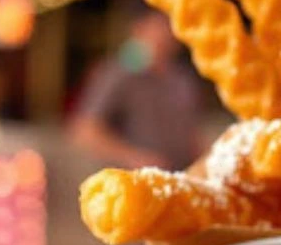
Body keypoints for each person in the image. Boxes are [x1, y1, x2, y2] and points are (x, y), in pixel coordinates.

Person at [71, 10, 202, 171]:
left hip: (179, 180)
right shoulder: (118, 74)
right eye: (161, 26)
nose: (169, 33)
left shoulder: (182, 78)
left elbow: (191, 134)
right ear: (139, 29)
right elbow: (85, 130)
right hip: (134, 182)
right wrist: (132, 157)